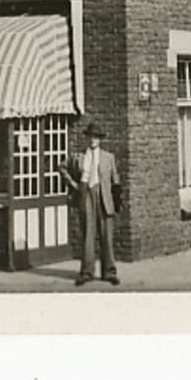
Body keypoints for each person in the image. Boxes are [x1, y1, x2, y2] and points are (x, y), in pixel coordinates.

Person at [64, 120, 121, 287]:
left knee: (106, 236)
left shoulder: (108, 157)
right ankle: (86, 272)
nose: (93, 140)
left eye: (96, 137)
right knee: (88, 235)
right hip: (86, 194)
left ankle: (109, 272)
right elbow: (62, 168)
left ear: (100, 139)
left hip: (104, 196)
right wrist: (74, 185)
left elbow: (115, 180)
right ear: (86, 138)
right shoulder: (79, 156)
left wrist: (116, 199)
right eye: (90, 137)